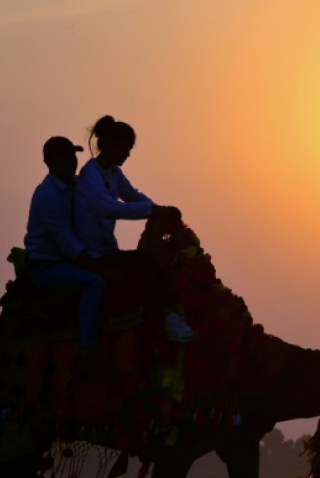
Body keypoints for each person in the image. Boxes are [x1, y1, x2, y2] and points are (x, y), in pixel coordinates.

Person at [74, 115, 196, 342]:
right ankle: (170, 320)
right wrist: (152, 211)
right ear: (111, 145)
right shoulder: (90, 174)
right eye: (126, 149)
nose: (128, 154)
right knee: (145, 264)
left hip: (107, 250)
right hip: (94, 254)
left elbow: (131, 195)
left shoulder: (113, 172)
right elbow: (109, 208)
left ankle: (170, 317)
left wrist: (159, 209)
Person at [24, 136, 112, 349]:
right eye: (65, 158)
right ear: (49, 162)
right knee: (95, 281)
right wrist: (100, 269)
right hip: (49, 265)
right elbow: (69, 245)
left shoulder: (75, 184)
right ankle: (89, 346)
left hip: (70, 258)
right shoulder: (48, 196)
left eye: (73, 156)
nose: (72, 162)